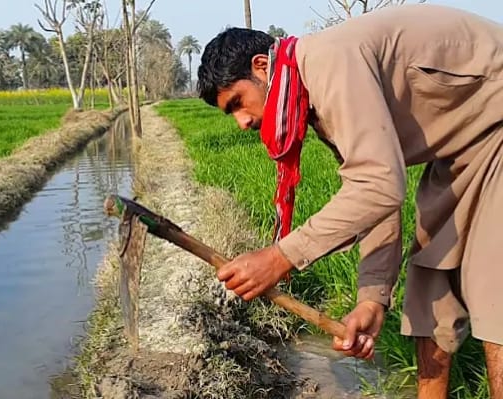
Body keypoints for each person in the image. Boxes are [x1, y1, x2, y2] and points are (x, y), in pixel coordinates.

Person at [196, 3, 503, 398]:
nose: (243, 121)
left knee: (493, 289)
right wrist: (371, 300)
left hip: (495, 121)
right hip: (465, 143)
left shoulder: (327, 62)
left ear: (261, 66)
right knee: (429, 291)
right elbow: (374, 197)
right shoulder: (311, 98)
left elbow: (379, 185)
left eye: (237, 102)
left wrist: (280, 257)